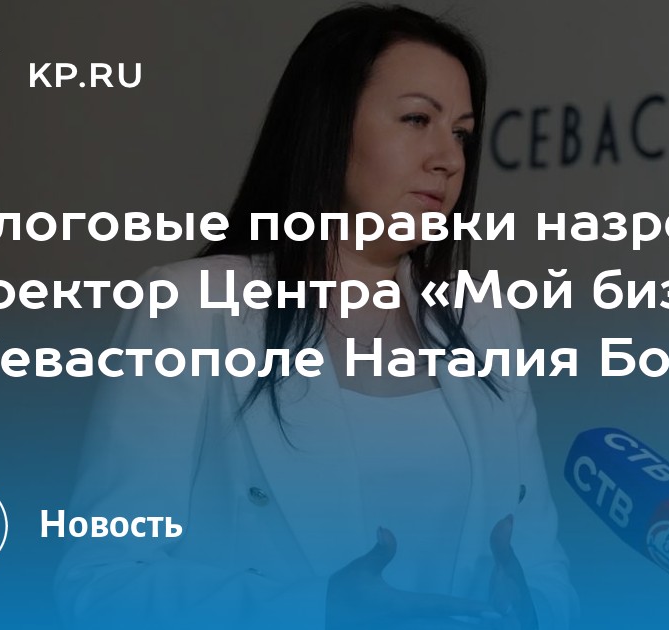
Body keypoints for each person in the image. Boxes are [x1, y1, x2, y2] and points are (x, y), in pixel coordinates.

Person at [55, 5, 578, 629]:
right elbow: (99, 584)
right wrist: (317, 609)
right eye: (417, 119)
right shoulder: (194, 305)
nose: (449, 158)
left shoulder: (486, 322)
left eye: (462, 133)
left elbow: (545, 569)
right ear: (330, 125)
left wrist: (533, 610)